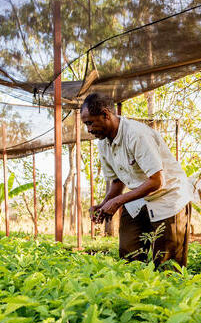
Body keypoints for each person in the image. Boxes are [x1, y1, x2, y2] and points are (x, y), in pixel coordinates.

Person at [82, 93, 193, 267]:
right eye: (85, 124)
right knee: (129, 256)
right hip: (139, 199)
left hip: (169, 197)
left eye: (90, 123)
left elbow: (157, 181)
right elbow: (118, 182)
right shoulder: (103, 144)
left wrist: (118, 201)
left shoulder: (136, 135)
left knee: (167, 264)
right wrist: (104, 204)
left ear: (105, 114)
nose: (88, 129)